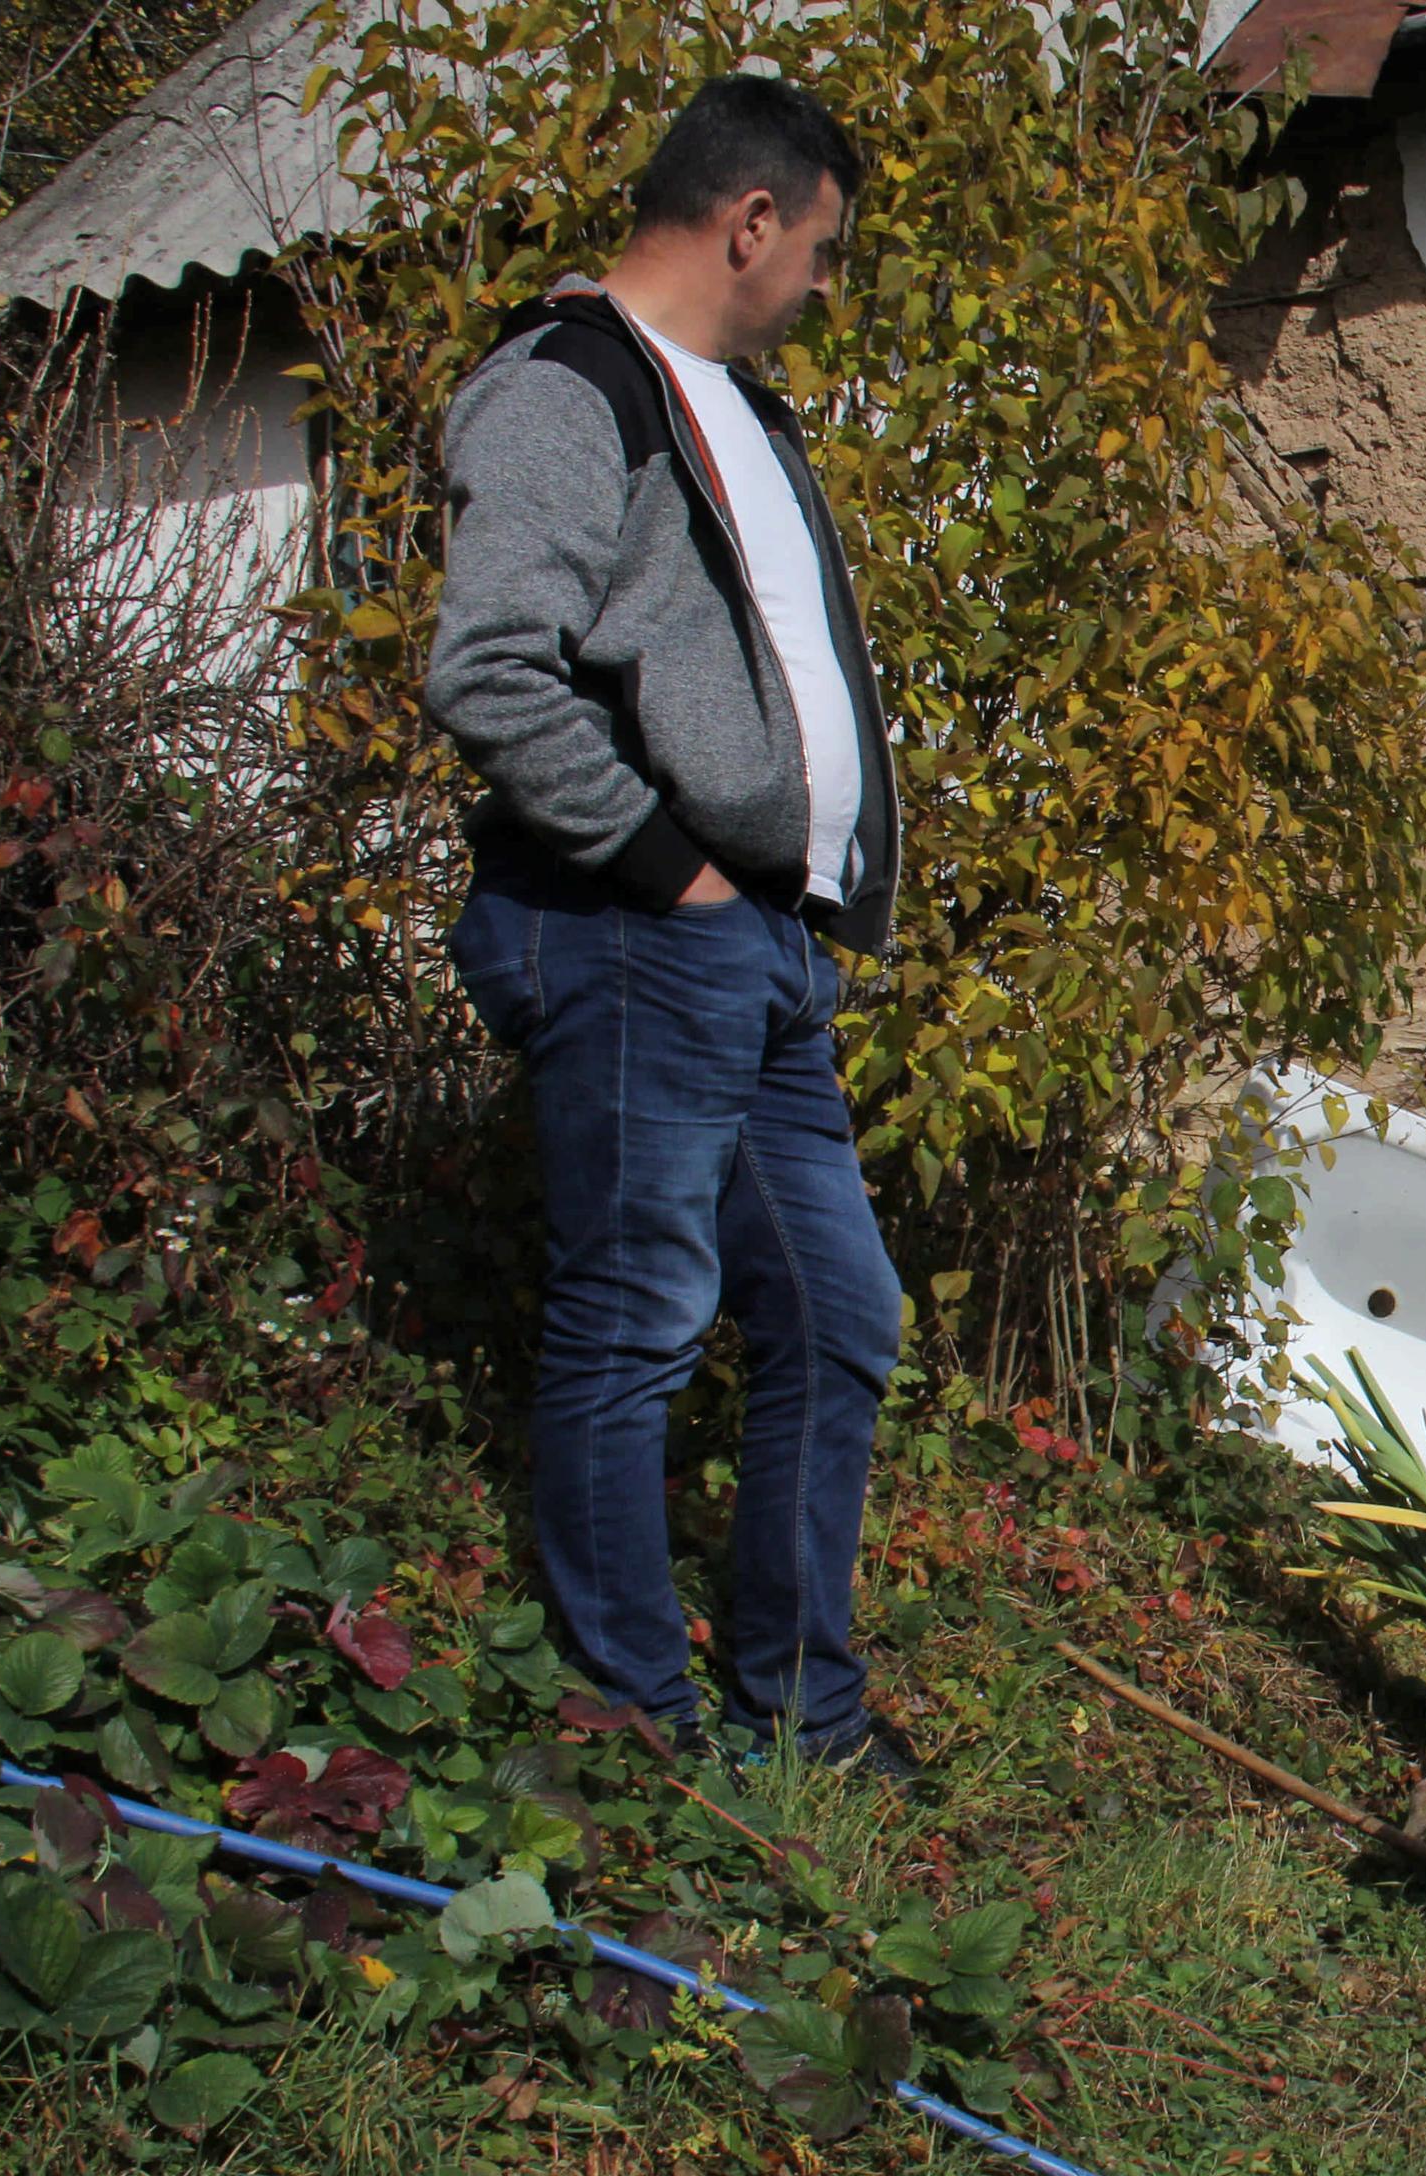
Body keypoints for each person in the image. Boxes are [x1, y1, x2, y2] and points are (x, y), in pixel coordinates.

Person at [423, 75, 916, 1777]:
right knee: (635, 1314)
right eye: (825, 249)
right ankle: (628, 1732)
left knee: (841, 1317)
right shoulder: (567, 392)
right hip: (638, 929)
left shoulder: (740, 412)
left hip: (762, 946)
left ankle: (803, 1720)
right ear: (752, 220)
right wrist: (674, 875)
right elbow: (489, 669)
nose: (826, 286)